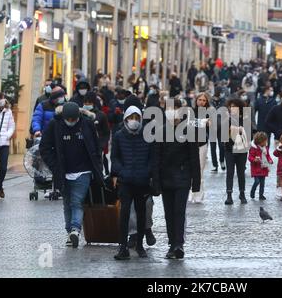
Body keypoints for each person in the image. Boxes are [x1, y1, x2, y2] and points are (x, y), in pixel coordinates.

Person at [40, 102, 104, 248]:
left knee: (77, 201)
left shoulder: (87, 124)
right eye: (67, 120)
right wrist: (54, 165)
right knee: (67, 203)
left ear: (78, 117)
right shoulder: (54, 125)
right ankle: (70, 233)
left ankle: (75, 229)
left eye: (73, 120)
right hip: (62, 172)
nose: (70, 122)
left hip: (83, 171)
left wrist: (97, 166)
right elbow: (44, 147)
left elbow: (96, 146)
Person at [152, 99, 201, 259]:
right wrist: (156, 182)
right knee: (168, 213)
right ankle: (172, 243)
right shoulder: (161, 131)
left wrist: (196, 183)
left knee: (179, 212)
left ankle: (178, 244)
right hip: (166, 178)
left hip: (182, 178)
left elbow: (194, 158)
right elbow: (157, 159)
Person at [112, 106, 154, 260]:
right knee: (124, 213)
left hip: (142, 181)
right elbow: (114, 158)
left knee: (141, 213)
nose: (134, 121)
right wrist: (120, 172)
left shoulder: (147, 136)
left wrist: (147, 172)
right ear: (126, 119)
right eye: (132, 118)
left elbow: (152, 158)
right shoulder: (119, 136)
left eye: (137, 118)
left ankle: (140, 245)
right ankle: (123, 247)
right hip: (126, 181)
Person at [224, 98, 250, 205]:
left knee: (241, 173)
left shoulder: (245, 119)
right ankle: (229, 195)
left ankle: (242, 193)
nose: (232, 108)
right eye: (231, 106)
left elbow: (250, 134)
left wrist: (241, 130)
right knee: (230, 172)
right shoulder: (226, 119)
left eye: (235, 106)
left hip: (242, 150)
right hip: (229, 149)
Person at [188, 92, 211, 204]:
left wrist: (204, 122)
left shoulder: (209, 112)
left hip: (202, 144)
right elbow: (189, 123)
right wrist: (201, 122)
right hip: (190, 143)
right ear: (196, 100)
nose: (201, 102)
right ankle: (190, 193)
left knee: (200, 170)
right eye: (200, 99)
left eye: (204, 100)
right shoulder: (191, 111)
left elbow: (211, 124)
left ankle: (198, 194)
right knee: (190, 169)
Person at [83, 92, 111, 176]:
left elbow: (106, 132)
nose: (87, 104)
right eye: (85, 102)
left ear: (94, 103)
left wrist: (101, 145)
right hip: (82, 149)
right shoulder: (80, 114)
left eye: (89, 102)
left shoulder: (101, 115)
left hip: (97, 150)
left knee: (97, 171)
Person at [248, 132, 273, 200]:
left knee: (262, 183)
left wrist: (270, 160)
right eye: (264, 141)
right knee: (257, 181)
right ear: (260, 141)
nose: (266, 142)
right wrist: (254, 160)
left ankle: (261, 195)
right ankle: (252, 192)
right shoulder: (254, 148)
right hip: (256, 168)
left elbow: (268, 156)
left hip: (263, 167)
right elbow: (250, 157)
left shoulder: (265, 148)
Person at [210, 86, 227, 172]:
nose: (222, 93)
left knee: (221, 145)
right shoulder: (210, 101)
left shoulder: (224, 101)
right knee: (213, 146)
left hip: (222, 126)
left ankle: (222, 161)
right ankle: (215, 165)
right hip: (212, 126)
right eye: (221, 92)